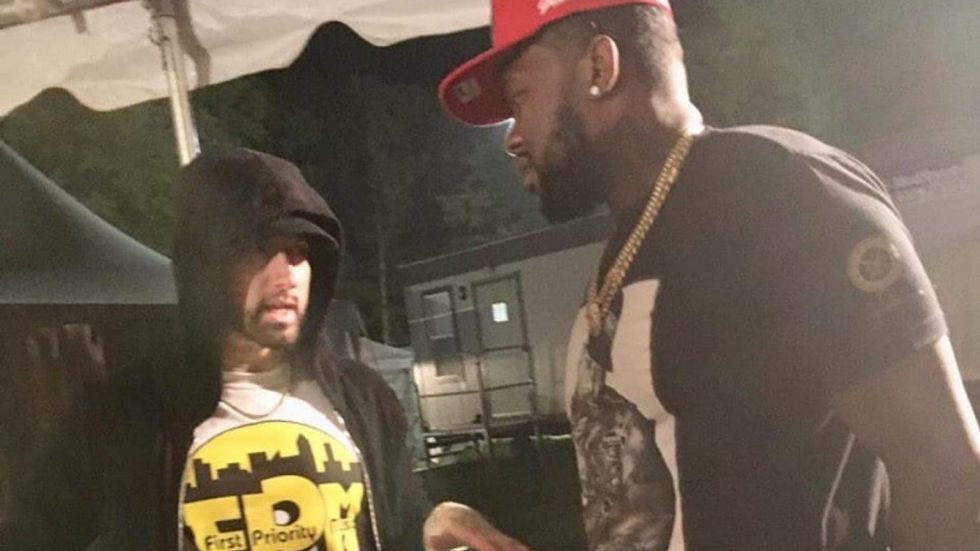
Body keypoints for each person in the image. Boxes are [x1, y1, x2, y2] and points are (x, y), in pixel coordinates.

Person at [438, 1, 980, 550]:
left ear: (600, 67)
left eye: (520, 98)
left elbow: (944, 468)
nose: (513, 136)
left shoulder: (773, 191)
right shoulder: (632, 243)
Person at [0, 146, 526, 551]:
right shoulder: (121, 415)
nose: (285, 275)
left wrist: (437, 518)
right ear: (205, 266)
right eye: (258, 250)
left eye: (298, 251)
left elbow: (399, 522)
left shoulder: (364, 397)